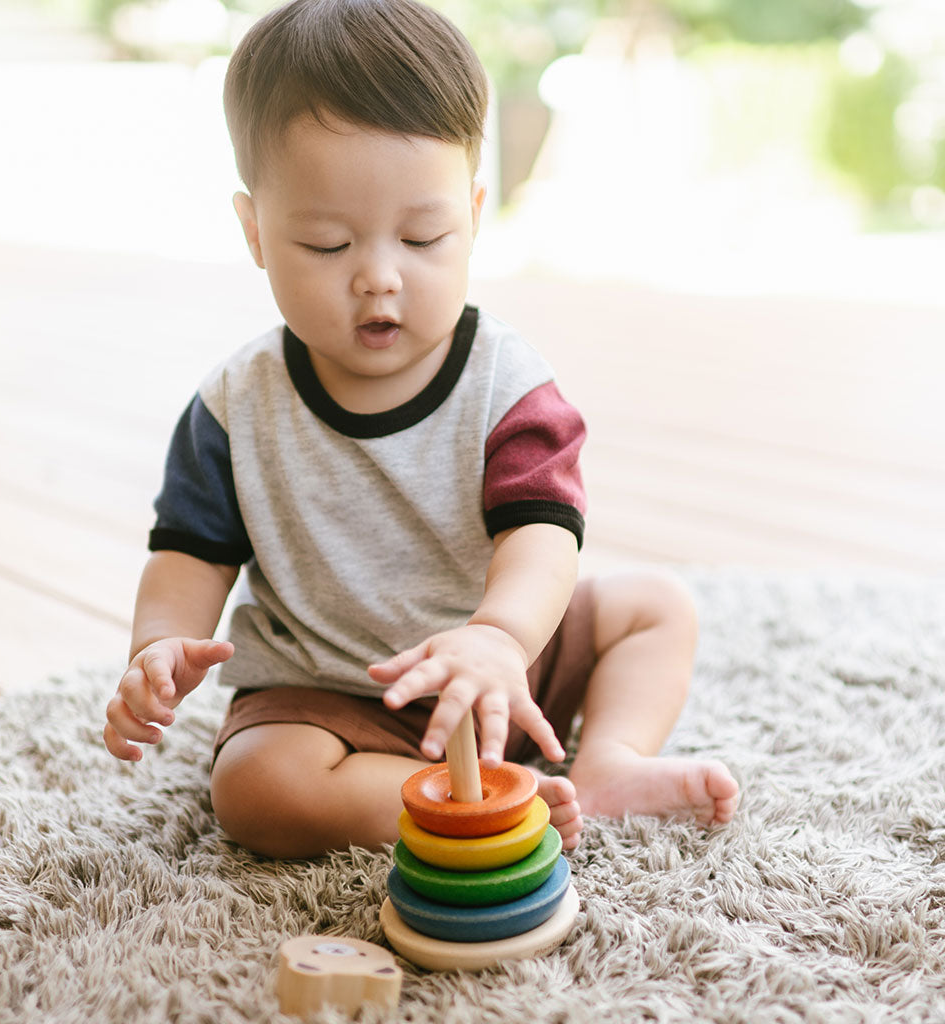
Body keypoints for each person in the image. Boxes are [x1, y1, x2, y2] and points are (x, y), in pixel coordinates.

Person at [103, 0, 739, 859]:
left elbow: (543, 537)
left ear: (472, 215)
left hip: (505, 665)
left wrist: (499, 636)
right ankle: (449, 803)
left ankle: (608, 763)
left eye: (422, 236)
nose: (378, 276)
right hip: (330, 695)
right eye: (327, 245)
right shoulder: (234, 406)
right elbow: (189, 552)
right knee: (254, 785)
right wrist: (157, 646)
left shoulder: (506, 384)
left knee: (657, 609)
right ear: (255, 231)